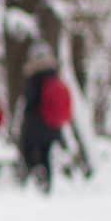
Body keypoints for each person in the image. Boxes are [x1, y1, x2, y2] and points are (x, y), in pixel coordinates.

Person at [16, 46, 72, 192]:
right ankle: (46, 184)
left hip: (36, 124)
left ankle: (34, 182)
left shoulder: (35, 76)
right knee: (45, 154)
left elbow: (30, 99)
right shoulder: (54, 74)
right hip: (52, 125)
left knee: (32, 153)